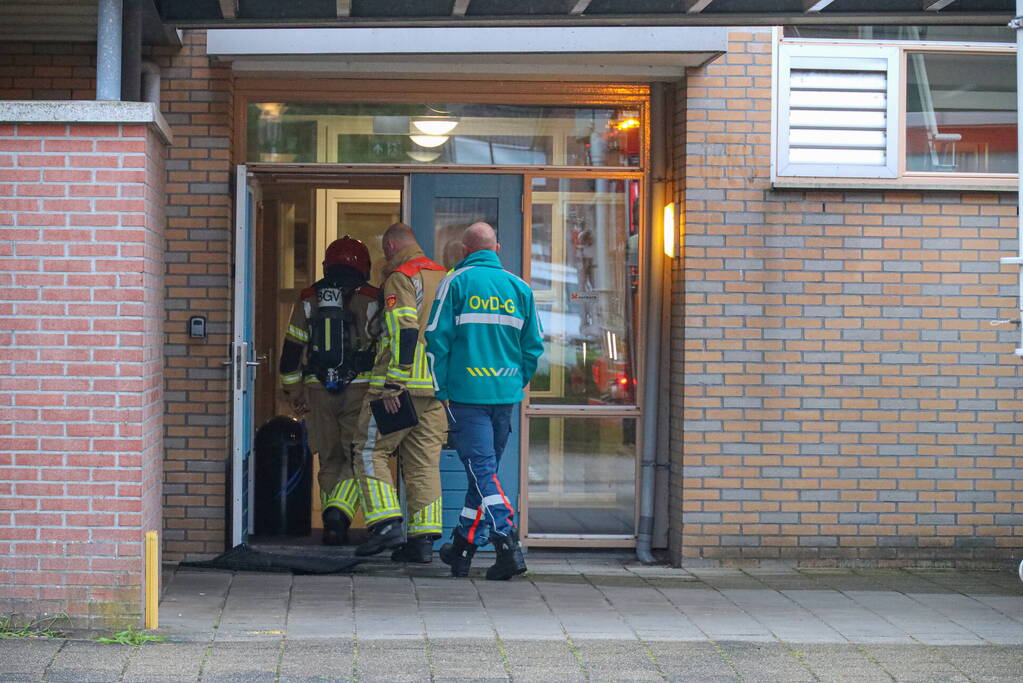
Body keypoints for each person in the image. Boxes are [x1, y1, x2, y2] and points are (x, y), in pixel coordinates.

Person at [425, 221, 544, 580]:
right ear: (497, 248)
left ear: (464, 251)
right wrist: (514, 382)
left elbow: (435, 340)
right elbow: (533, 347)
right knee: (483, 474)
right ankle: (461, 547)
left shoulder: (455, 282)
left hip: (466, 396)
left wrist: (441, 389)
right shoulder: (519, 287)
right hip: (504, 397)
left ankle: (507, 542)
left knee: (482, 474)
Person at [351, 222, 448, 562]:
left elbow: (405, 330)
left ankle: (385, 524)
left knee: (368, 450)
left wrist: (394, 383)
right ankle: (422, 543)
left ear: (391, 247)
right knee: (423, 463)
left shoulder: (401, 277)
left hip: (399, 387)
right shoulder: (445, 276)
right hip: (436, 389)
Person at [279, 236, 381, 545]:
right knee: (357, 458)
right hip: (361, 389)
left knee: (329, 458)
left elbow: (291, 351)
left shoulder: (309, 298)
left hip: (318, 390)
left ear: (327, 264)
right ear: (364, 265)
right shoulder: (373, 298)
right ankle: (339, 513)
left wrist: (293, 392)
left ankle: (332, 521)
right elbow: (385, 345)